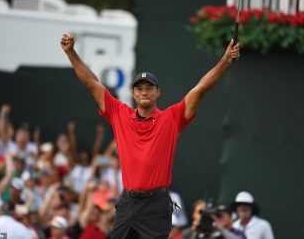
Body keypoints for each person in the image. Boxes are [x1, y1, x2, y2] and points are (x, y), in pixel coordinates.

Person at [61, 33, 240, 238]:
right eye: (139, 89)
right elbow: (91, 82)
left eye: (149, 88)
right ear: (134, 94)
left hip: (155, 203)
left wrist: (225, 61)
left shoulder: (171, 118)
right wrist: (71, 52)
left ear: (158, 93)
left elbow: (200, 89)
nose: (144, 92)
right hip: (128, 202)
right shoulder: (120, 113)